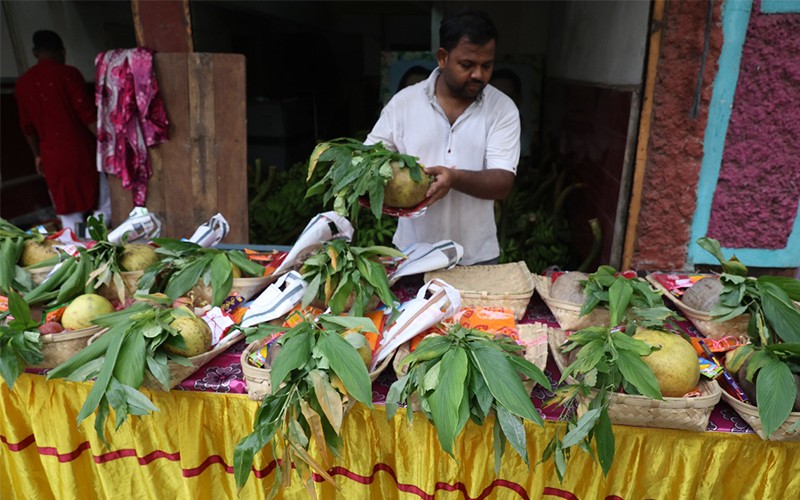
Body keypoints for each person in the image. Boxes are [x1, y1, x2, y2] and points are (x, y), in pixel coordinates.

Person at [366, 9, 521, 266]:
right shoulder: (404, 104)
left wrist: (454, 178)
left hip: (476, 258)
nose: (478, 75)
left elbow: (503, 182)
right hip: (411, 254)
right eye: (467, 65)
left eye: (487, 65)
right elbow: (368, 160)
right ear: (443, 57)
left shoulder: (502, 109)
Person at [15, 30, 109, 234]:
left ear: (34, 52)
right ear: (63, 51)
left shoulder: (23, 84)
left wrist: (37, 155)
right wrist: (106, 145)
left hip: (51, 157)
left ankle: (78, 249)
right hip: (81, 151)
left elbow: (27, 126)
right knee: (102, 204)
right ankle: (97, 240)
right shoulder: (68, 74)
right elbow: (87, 114)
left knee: (68, 213)